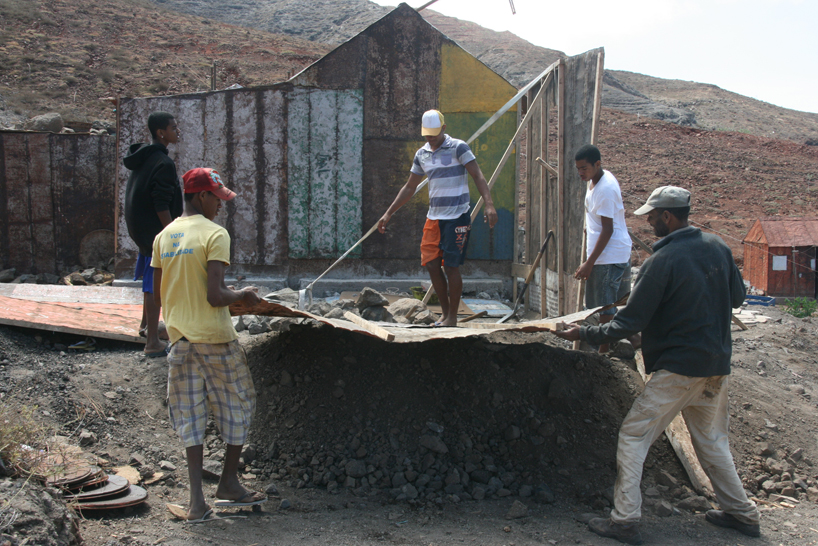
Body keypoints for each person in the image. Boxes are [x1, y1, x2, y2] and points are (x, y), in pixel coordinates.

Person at [555, 186, 759, 545]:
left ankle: (625, 519)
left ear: (668, 216)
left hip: (679, 368)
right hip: (716, 364)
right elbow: (738, 297)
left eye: (651, 216)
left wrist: (583, 331)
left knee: (634, 435)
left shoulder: (661, 261)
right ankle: (742, 514)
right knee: (711, 440)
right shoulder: (718, 248)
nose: (648, 222)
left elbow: (627, 323)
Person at [151, 167, 266, 522]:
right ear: (201, 196)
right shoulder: (215, 234)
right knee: (238, 404)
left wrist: (160, 328)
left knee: (190, 414)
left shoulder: (163, 237)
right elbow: (216, 296)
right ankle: (229, 483)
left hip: (180, 339)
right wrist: (244, 296)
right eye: (217, 198)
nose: (221, 205)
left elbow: (158, 293)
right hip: (214, 338)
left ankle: (196, 503)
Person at [377, 110, 498, 326]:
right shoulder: (421, 154)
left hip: (457, 216)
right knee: (432, 264)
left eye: (434, 134)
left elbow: (477, 175)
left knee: (451, 267)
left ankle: (452, 317)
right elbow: (409, 187)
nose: (430, 139)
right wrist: (388, 213)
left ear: (443, 128)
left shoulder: (458, 147)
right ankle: (444, 314)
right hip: (434, 217)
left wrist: (489, 204)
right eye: (427, 135)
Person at [124, 111, 183, 357]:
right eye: (173, 127)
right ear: (161, 132)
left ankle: (145, 325)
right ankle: (152, 343)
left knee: (150, 283)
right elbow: (161, 203)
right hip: (155, 234)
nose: (176, 131)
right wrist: (172, 234)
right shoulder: (163, 163)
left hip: (142, 230)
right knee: (153, 285)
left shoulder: (144, 159)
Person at [573, 144, 633, 354]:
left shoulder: (605, 189)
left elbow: (607, 230)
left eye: (584, 168)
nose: (580, 173)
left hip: (608, 256)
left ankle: (604, 352)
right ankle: (631, 340)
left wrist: (589, 263)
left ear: (597, 164)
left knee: (604, 306)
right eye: (578, 168)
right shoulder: (596, 181)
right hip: (610, 253)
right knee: (609, 304)